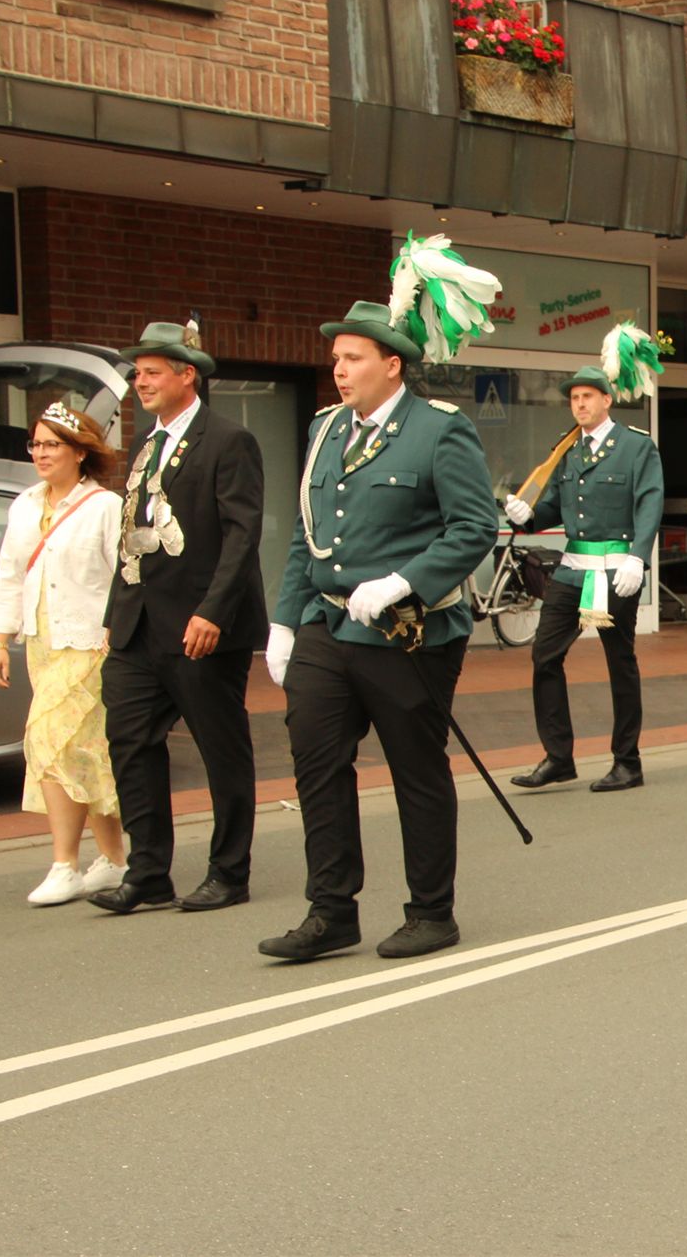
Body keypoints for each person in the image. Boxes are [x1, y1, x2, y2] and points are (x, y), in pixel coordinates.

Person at [259, 298, 498, 962]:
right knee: (316, 761)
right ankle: (331, 910)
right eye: (336, 358)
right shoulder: (325, 429)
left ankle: (431, 911)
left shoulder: (439, 430)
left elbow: (474, 527)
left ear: (392, 365)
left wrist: (403, 581)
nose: (339, 369)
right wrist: (283, 621)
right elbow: (308, 534)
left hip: (406, 630)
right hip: (326, 622)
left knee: (415, 769)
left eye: (353, 357)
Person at [90, 321, 267, 915]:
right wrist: (116, 613)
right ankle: (148, 872)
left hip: (200, 625)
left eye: (152, 372)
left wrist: (212, 611)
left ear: (187, 375)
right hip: (138, 625)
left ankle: (229, 871)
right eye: (137, 373)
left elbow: (242, 536)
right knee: (130, 741)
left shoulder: (229, 440)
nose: (140, 382)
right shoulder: (147, 440)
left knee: (221, 747)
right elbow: (131, 532)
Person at [0, 403, 127, 906]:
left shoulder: (104, 507)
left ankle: (64, 865)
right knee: (84, 751)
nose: (41, 454)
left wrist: (117, 632)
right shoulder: (25, 504)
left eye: (52, 444)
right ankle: (113, 859)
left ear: (79, 452)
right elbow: (9, 573)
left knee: (47, 739)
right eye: (36, 444)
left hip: (90, 645)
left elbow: (125, 578)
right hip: (41, 644)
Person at [506, 364, 664, 793]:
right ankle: (558, 758)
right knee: (544, 655)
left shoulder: (635, 447)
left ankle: (627, 762)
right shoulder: (568, 448)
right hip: (573, 570)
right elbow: (557, 506)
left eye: (587, 397)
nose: (579, 404)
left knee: (619, 662)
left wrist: (637, 559)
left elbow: (649, 503)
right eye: (574, 398)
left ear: (606, 400)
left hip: (615, 572)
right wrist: (528, 516)